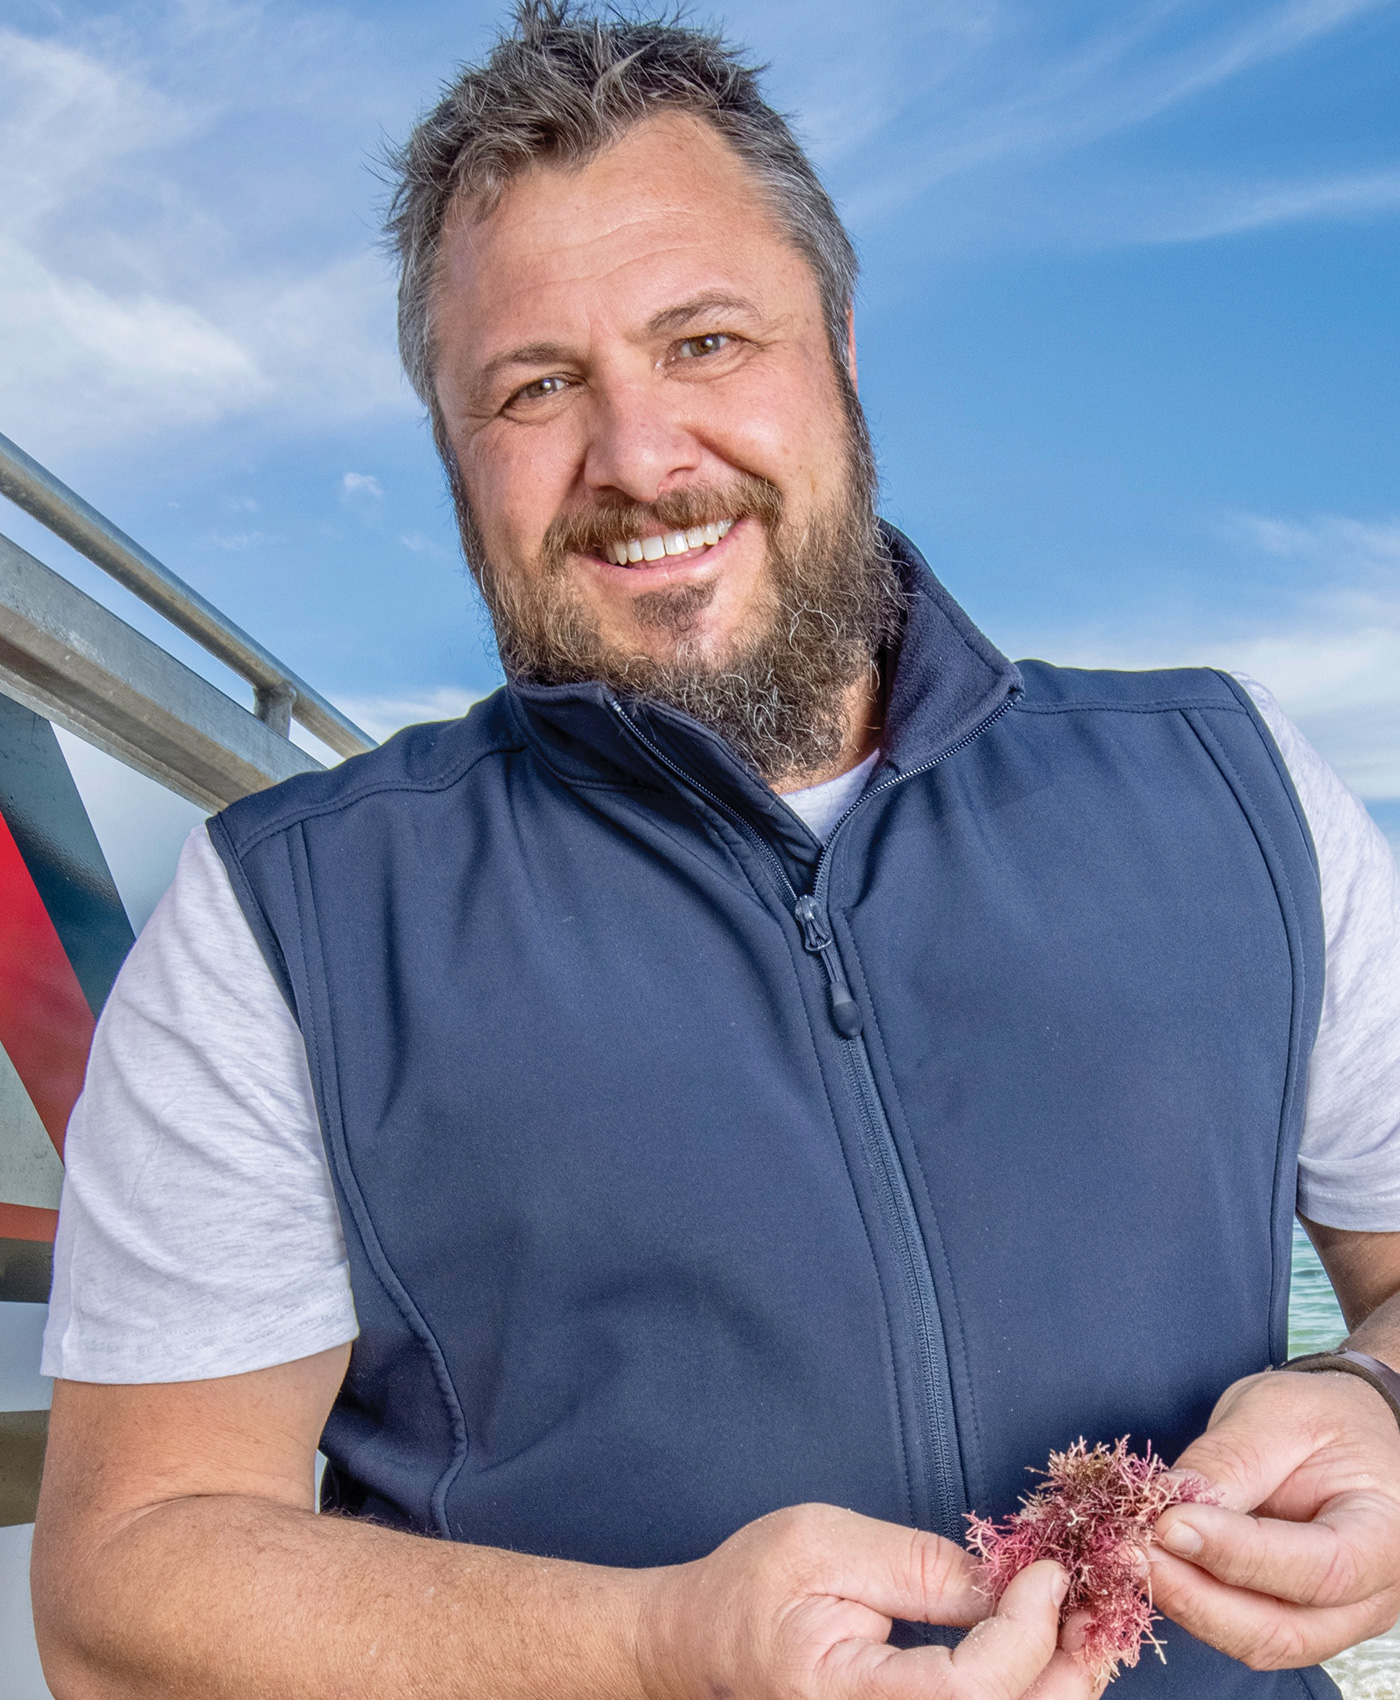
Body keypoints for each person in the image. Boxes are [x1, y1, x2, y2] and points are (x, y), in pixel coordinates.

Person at [30, 5, 1400, 1697]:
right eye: (536, 387)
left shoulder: (1234, 787)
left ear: (835, 344)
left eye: (704, 342)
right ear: (454, 459)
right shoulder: (280, 925)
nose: (640, 456)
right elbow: (120, 1586)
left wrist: (1379, 1409)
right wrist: (653, 1647)